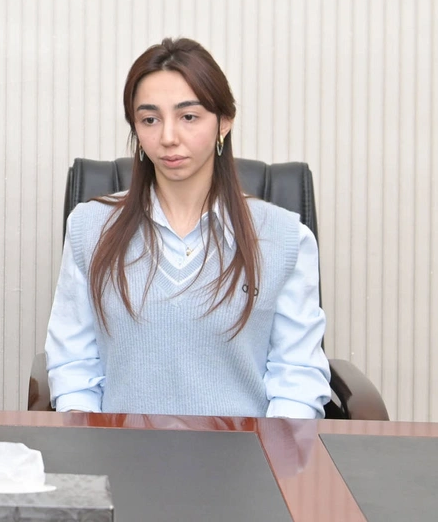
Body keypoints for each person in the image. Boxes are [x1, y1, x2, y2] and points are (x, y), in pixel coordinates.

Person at [45, 37, 331, 418]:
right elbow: (73, 368)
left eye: (188, 117)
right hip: (119, 449)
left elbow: (297, 379)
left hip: (243, 450)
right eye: (150, 120)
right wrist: (91, 443)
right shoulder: (89, 228)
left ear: (224, 122)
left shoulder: (284, 238)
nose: (168, 137)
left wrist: (270, 452)